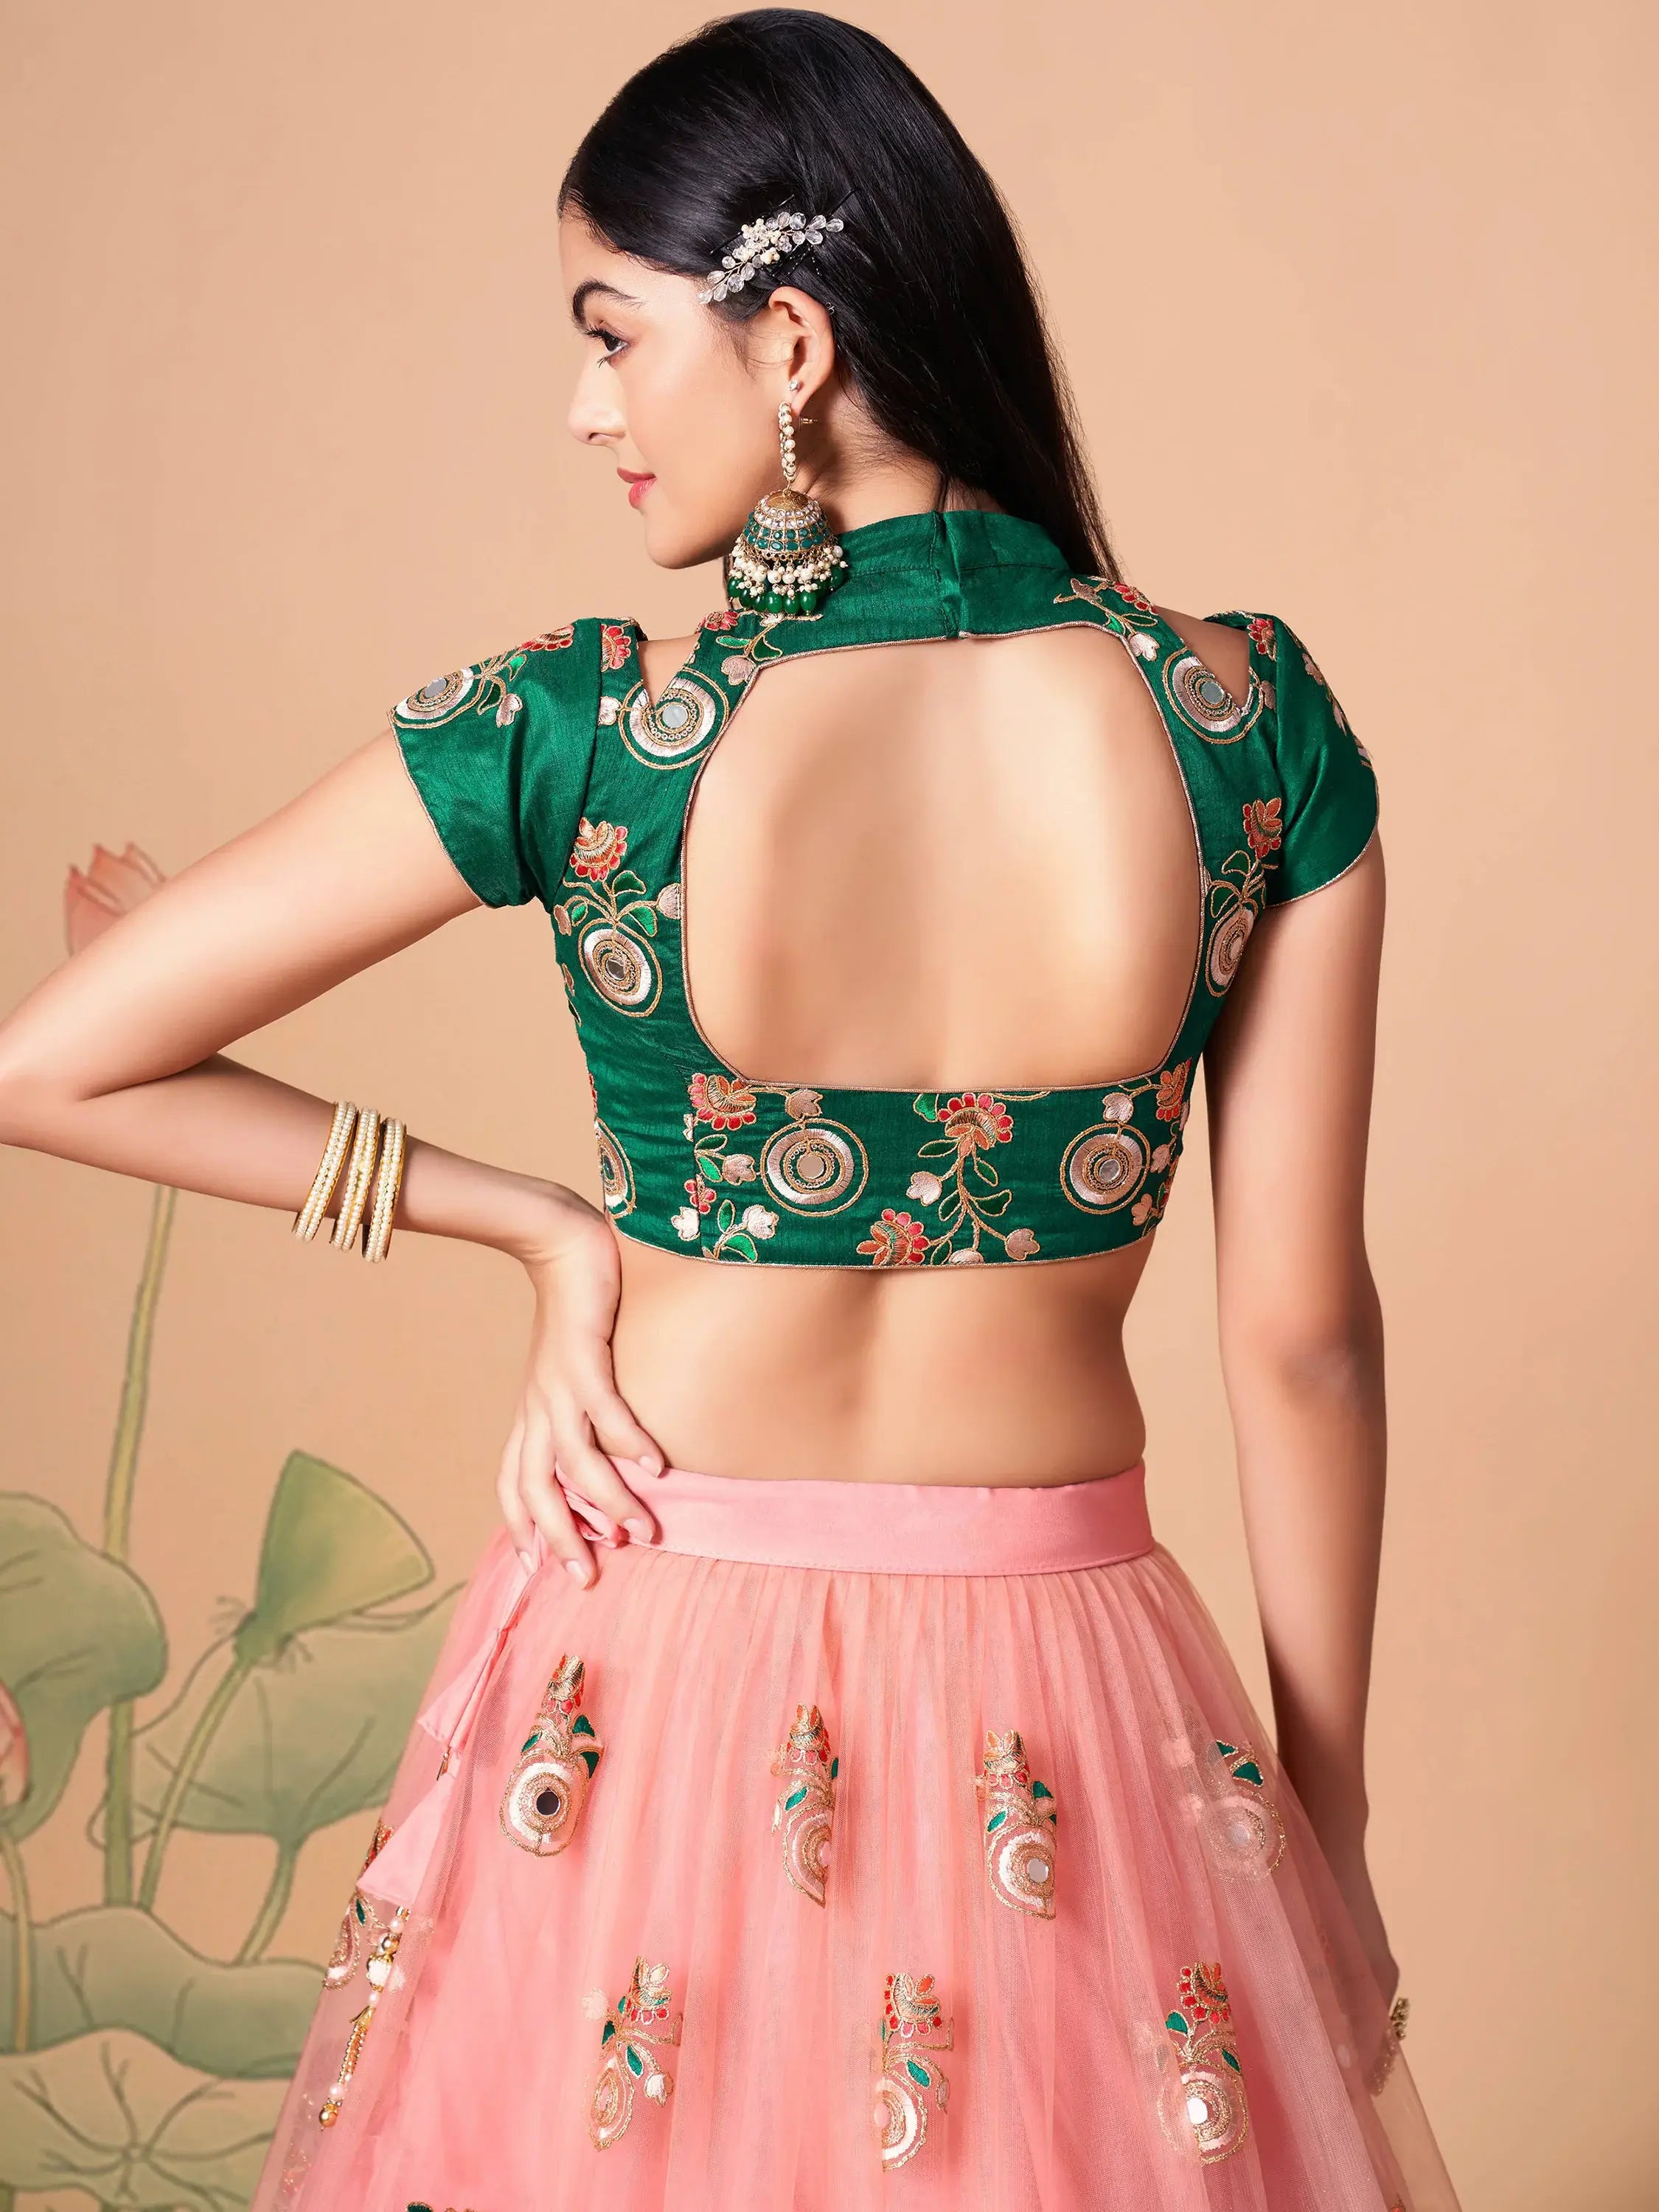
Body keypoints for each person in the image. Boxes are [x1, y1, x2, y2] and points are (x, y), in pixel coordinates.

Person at [0, 12, 1464, 2209]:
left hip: (647, 1686)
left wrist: (542, 1228)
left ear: (788, 342)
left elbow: (50, 1061)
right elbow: (1302, 1341)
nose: (586, 408)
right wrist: (1324, 1843)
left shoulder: (591, 731)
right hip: (1075, 1702)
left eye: (613, 334)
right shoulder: (1247, 724)